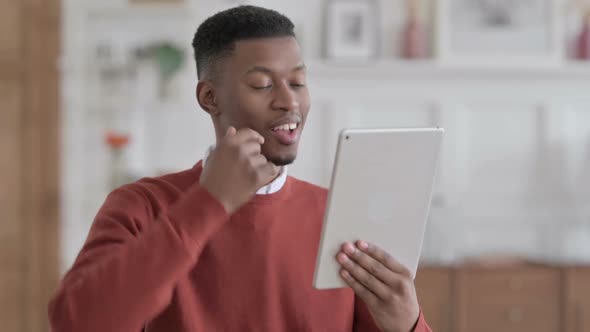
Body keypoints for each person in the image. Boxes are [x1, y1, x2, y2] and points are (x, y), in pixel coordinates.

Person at [48, 6, 432, 332]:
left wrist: (409, 323)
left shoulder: (340, 217)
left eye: (298, 82)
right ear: (209, 97)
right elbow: (77, 321)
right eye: (263, 85)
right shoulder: (140, 206)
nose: (288, 101)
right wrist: (210, 201)